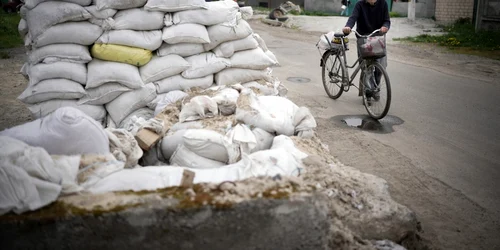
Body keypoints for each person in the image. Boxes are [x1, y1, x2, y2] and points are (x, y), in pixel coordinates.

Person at [342, 0, 390, 99]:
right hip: (363, 38)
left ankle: (376, 89)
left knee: (381, 66)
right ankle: (368, 91)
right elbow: (353, 18)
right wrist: (348, 27)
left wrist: (385, 26)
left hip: (378, 38)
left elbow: (387, 20)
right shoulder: (360, 4)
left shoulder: (383, 3)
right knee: (366, 67)